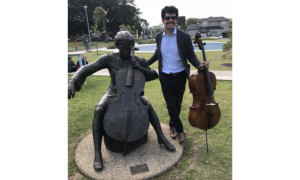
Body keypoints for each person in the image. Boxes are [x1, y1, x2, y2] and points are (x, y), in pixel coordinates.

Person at [68, 30, 175, 171]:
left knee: (147, 104)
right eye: (123, 48)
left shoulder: (136, 60)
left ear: (132, 46)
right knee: (99, 109)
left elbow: (154, 75)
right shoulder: (109, 58)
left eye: (129, 48)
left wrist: (141, 69)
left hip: (133, 94)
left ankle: (161, 137)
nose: (126, 51)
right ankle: (97, 153)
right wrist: (72, 81)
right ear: (117, 46)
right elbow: (87, 68)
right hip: (114, 92)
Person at [144, 6, 209, 143]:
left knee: (177, 105)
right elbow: (158, 53)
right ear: (163, 20)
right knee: (170, 105)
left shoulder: (184, 37)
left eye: (173, 17)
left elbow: (191, 55)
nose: (171, 20)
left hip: (180, 77)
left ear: (176, 20)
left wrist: (199, 65)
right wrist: (148, 62)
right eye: (168, 18)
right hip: (165, 77)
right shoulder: (158, 37)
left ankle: (172, 125)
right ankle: (179, 130)